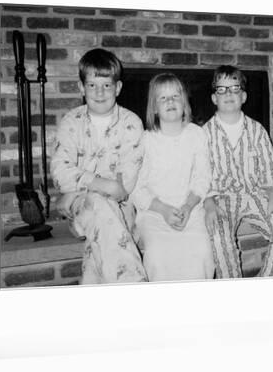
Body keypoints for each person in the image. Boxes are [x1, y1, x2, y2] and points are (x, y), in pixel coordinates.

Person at [50, 48, 148, 285]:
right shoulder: (71, 121)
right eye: (92, 85)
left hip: (120, 209)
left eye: (106, 85)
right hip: (81, 207)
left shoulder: (131, 123)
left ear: (118, 88)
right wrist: (100, 183)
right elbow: (59, 172)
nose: (100, 92)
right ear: (81, 88)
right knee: (98, 203)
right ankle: (133, 284)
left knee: (99, 245)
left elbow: (124, 188)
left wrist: (73, 190)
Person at [202, 65, 273, 278]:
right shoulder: (204, 134)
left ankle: (266, 287)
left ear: (243, 96)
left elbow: (270, 167)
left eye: (235, 88)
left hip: (257, 193)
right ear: (213, 98)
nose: (228, 94)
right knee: (218, 237)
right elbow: (198, 174)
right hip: (221, 198)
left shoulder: (257, 130)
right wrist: (208, 203)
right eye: (222, 89)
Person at [130, 73, 214, 281]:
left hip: (191, 209)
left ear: (184, 103)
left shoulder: (197, 134)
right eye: (163, 98)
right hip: (155, 212)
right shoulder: (146, 140)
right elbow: (137, 188)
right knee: (158, 255)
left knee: (202, 251)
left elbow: (202, 178)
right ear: (154, 108)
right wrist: (164, 210)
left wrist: (188, 206)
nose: (170, 101)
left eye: (175, 96)